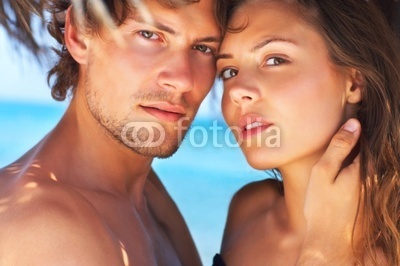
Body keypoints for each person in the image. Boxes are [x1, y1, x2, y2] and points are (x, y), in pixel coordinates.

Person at [0, 0, 363, 265]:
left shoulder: (146, 196)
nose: (183, 78)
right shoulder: (45, 235)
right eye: (150, 35)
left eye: (203, 48)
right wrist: (326, 251)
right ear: (79, 37)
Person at [214, 0, 400, 265]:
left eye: (275, 60)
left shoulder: (390, 248)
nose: (236, 91)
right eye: (229, 71)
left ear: (355, 82)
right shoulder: (247, 210)